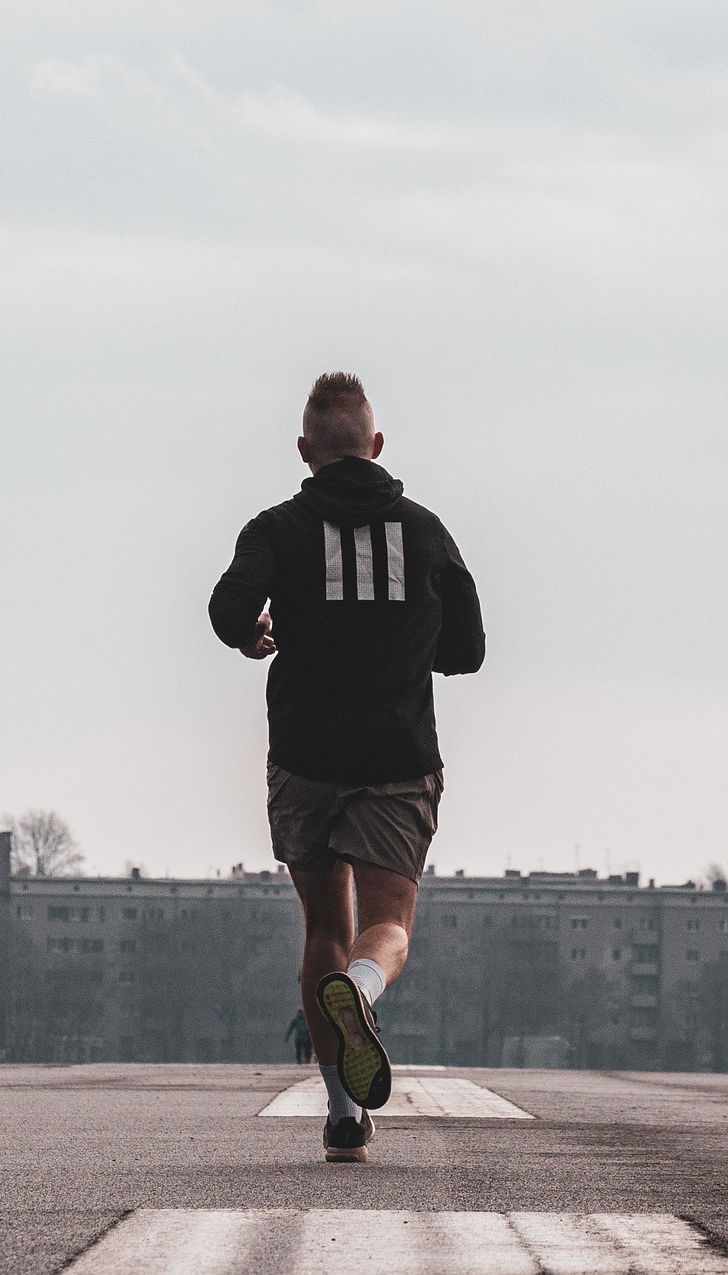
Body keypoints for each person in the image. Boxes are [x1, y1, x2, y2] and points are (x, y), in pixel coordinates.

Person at [209, 371, 485, 1164]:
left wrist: (254, 632)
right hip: (396, 756)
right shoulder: (427, 532)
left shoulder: (277, 527)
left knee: (324, 926)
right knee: (386, 926)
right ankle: (364, 991)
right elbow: (466, 650)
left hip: (304, 755)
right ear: (376, 445)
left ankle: (341, 1114)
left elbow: (230, 607)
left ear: (305, 451)